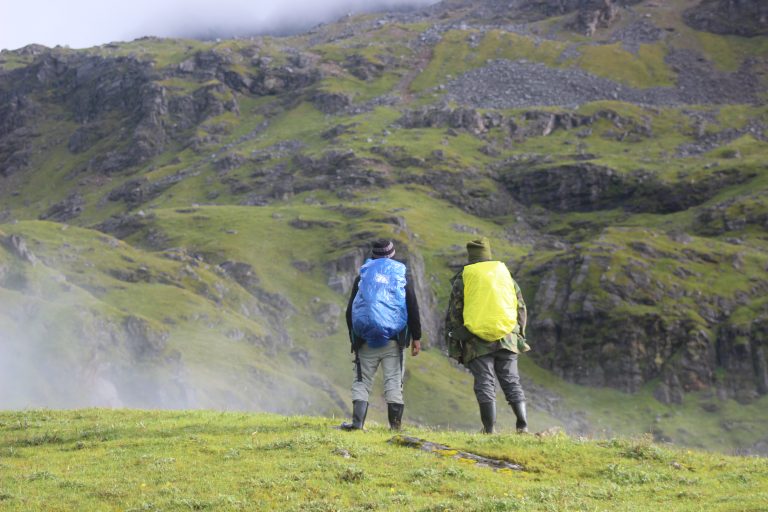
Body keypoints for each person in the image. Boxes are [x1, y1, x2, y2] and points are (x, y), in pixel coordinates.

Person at [445, 237, 530, 434]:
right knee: (511, 380)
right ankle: (522, 425)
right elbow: (521, 306)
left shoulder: (465, 277)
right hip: (507, 336)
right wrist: (519, 334)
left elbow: (454, 313)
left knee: (485, 382)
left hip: (477, 341)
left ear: (471, 256)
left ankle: (489, 429)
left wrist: (457, 341)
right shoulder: (505, 274)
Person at [341, 239, 422, 431]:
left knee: (362, 381)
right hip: (394, 341)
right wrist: (416, 338)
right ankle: (395, 428)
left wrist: (355, 338)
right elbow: (412, 307)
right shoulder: (401, 276)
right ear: (392, 254)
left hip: (365, 340)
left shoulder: (364, 275)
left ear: (373, 255)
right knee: (393, 382)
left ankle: (357, 424)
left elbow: (350, 311)